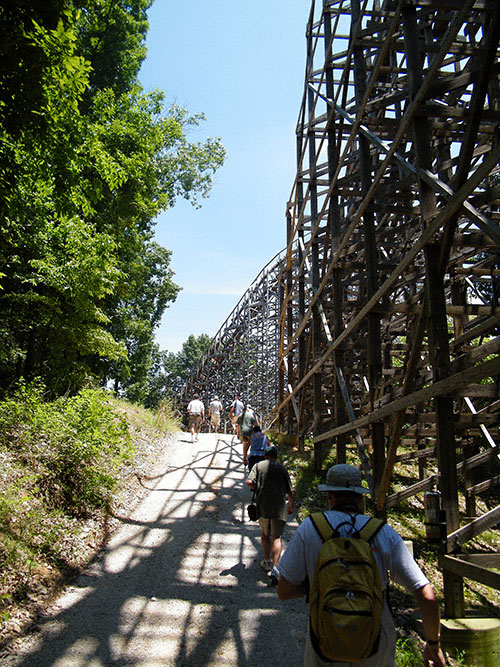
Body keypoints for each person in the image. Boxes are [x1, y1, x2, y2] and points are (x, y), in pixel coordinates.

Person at [276, 464, 446, 667]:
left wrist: (321, 584)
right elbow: (426, 595)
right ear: (360, 497)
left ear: (329, 495)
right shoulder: (383, 533)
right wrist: (433, 643)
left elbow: (284, 590)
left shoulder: (310, 528)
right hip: (375, 642)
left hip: (324, 641)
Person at [246, 445, 294, 580]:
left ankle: (267, 561)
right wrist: (291, 505)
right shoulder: (282, 469)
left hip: (263, 506)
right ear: (276, 456)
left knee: (265, 534)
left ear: (265, 456)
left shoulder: (258, 466)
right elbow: (290, 491)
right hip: (278, 507)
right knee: (277, 537)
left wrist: (257, 487)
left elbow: (249, 481)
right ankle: (276, 569)